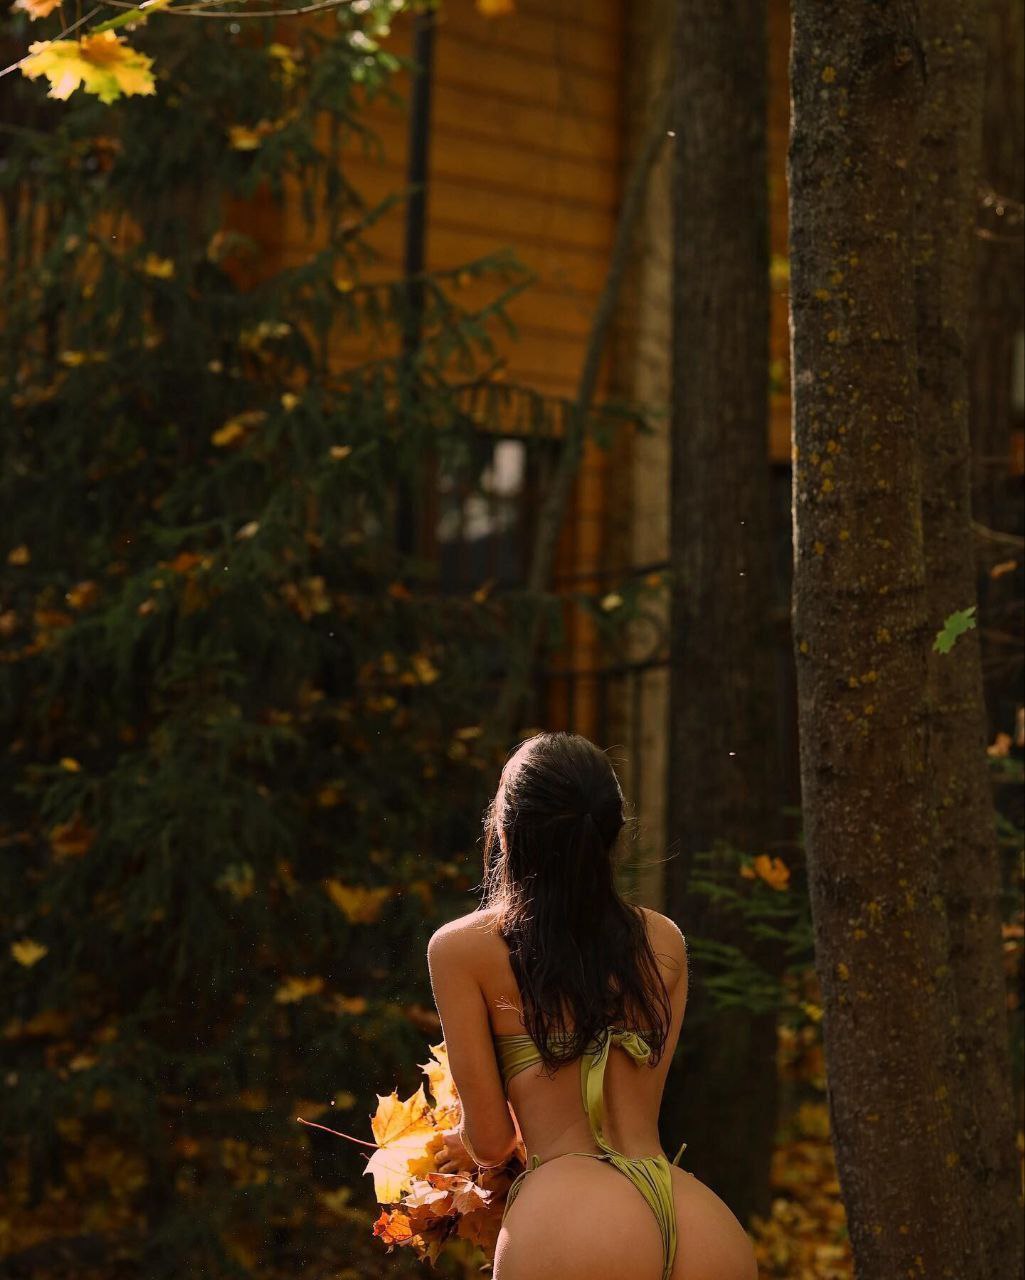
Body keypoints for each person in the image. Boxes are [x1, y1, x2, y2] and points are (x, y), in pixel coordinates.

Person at [427, 731, 759, 1280]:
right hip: (702, 1226)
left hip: (571, 1221)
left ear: (506, 834)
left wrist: (456, 1143)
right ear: (612, 833)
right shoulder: (665, 941)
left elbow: (490, 1141)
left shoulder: (462, 950)